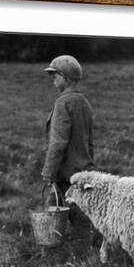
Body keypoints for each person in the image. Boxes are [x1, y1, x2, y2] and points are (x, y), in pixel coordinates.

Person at [41, 54, 95, 244]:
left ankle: (89, 255)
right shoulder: (84, 103)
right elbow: (90, 142)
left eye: (54, 76)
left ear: (65, 77)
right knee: (62, 210)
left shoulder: (63, 103)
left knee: (76, 217)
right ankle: (55, 250)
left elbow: (58, 142)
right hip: (83, 171)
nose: (52, 80)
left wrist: (49, 171)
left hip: (66, 174)